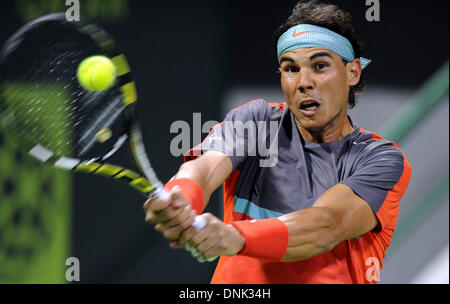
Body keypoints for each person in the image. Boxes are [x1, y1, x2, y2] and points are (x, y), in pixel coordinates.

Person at [143, 0, 412, 284]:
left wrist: (235, 236)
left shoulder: (381, 160)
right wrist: (180, 198)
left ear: (352, 72)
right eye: (290, 68)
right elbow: (204, 169)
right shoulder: (256, 121)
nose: (303, 82)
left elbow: (326, 227)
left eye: (320, 66)